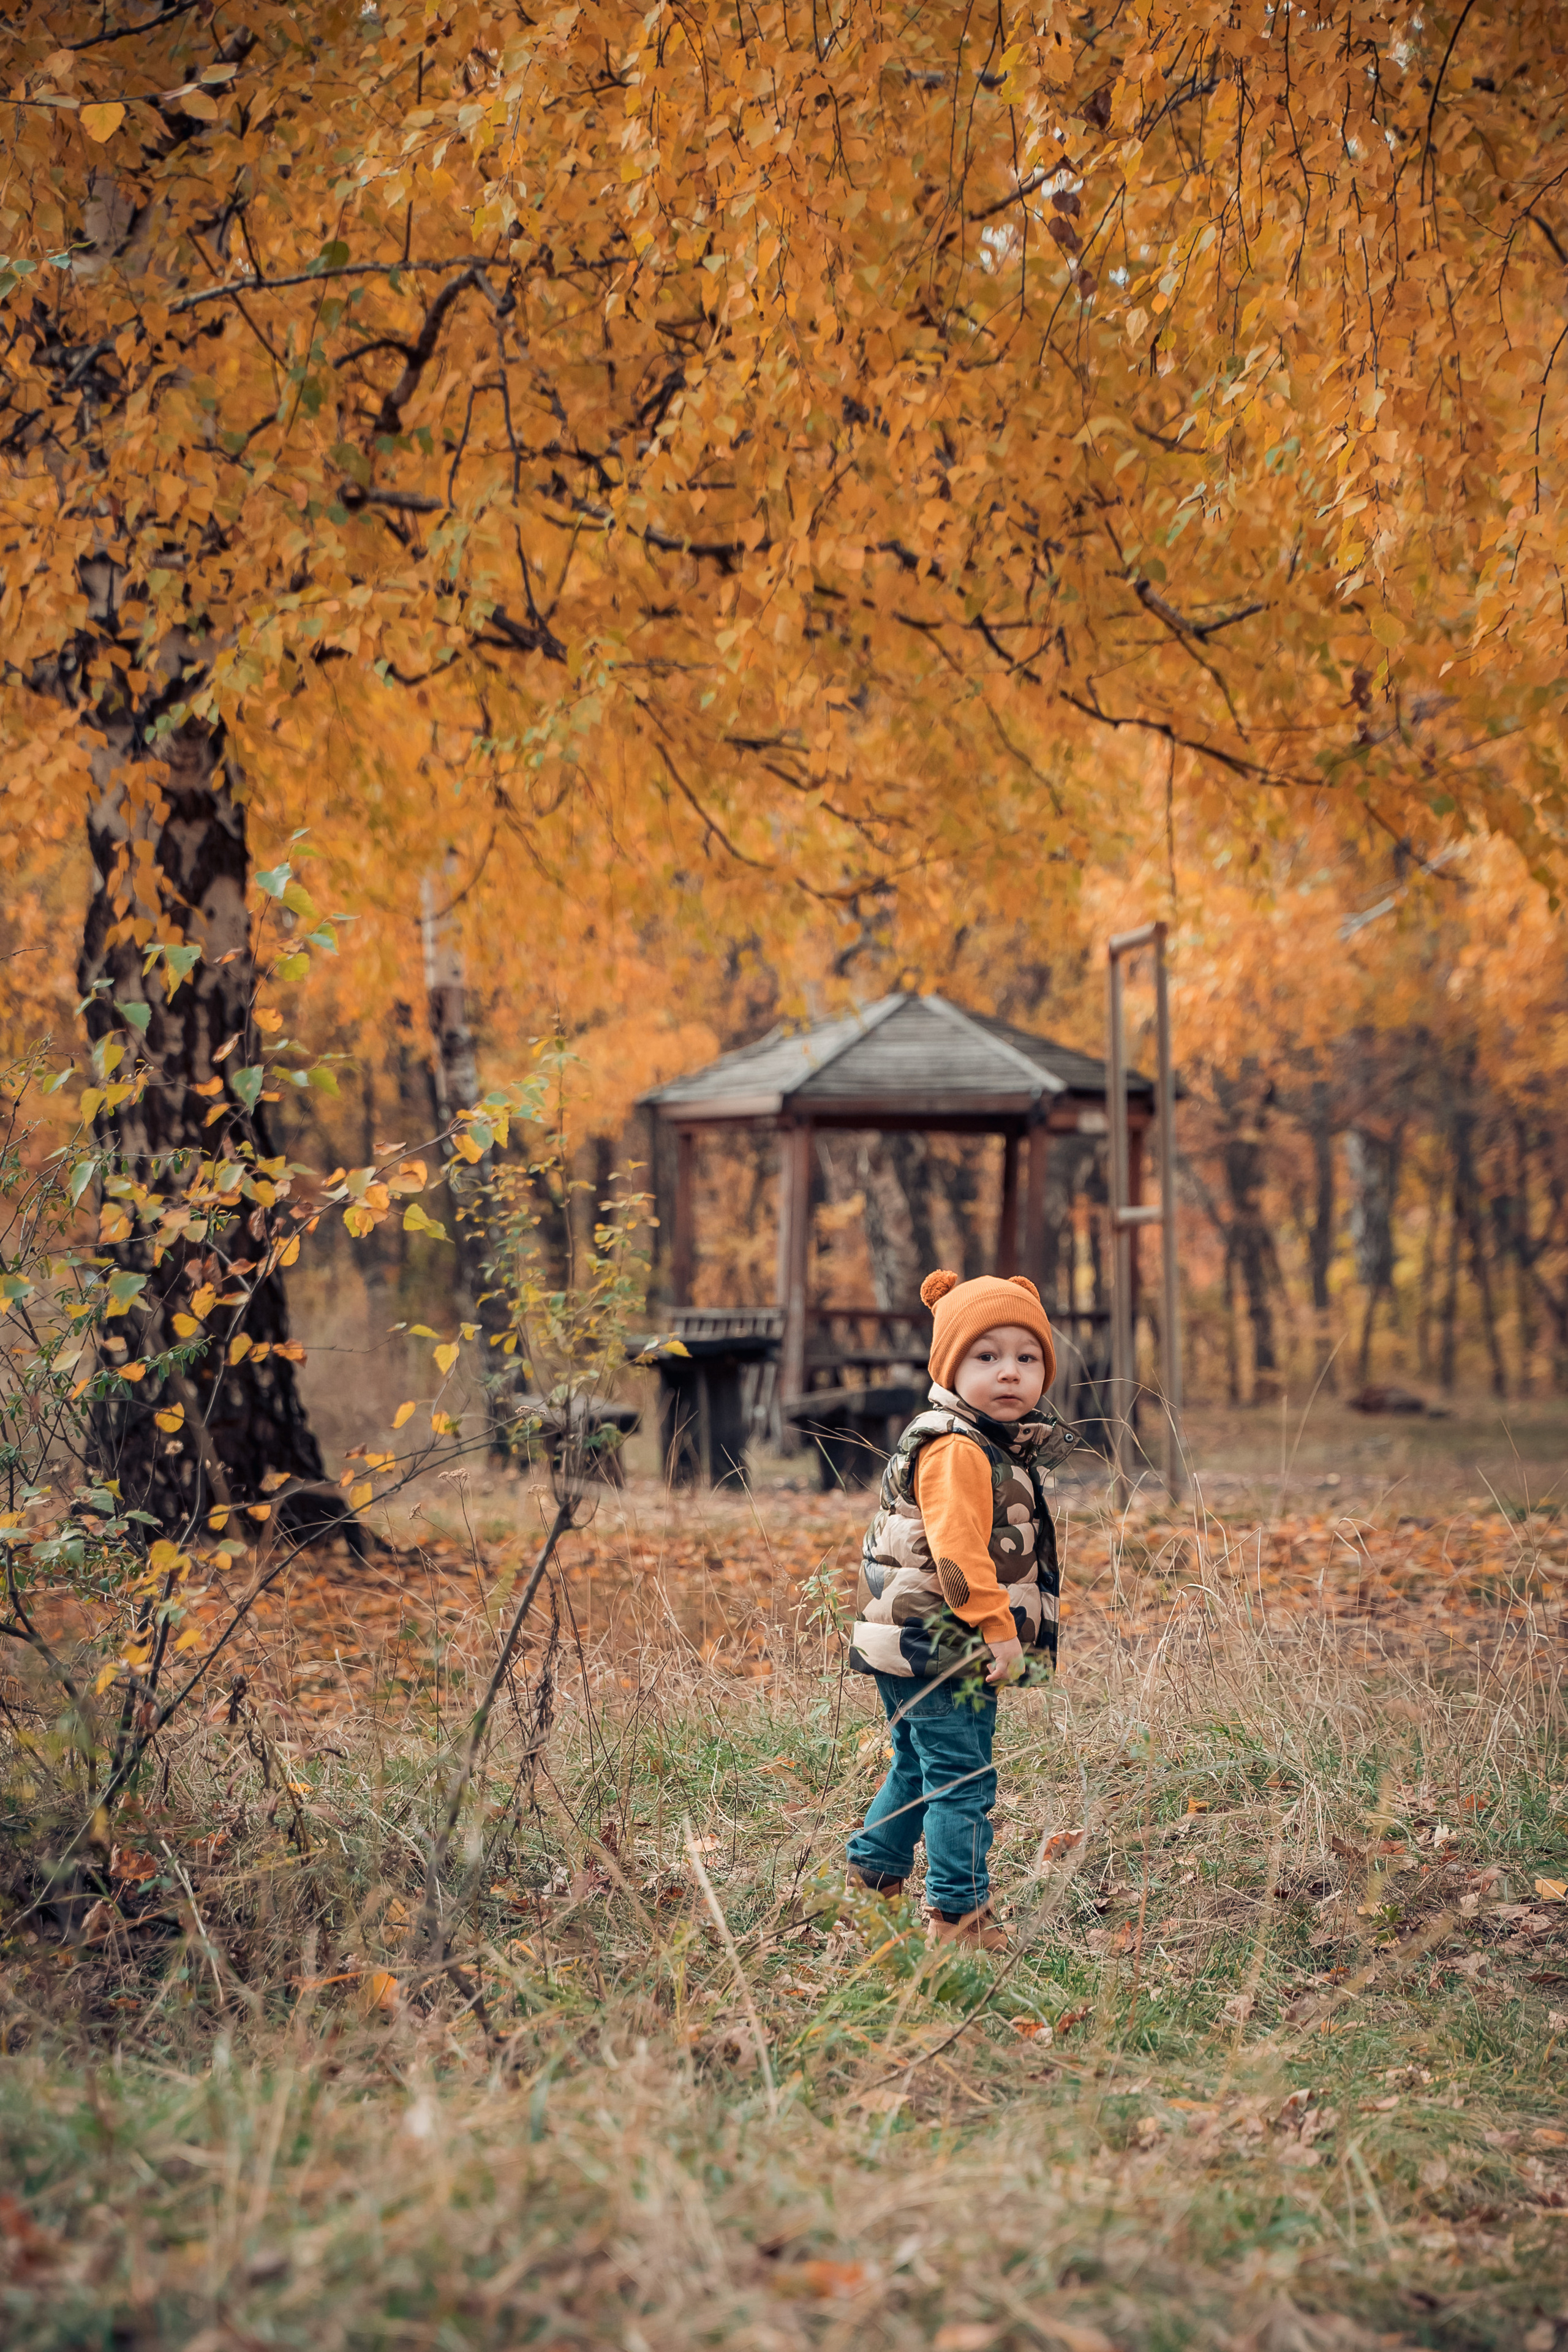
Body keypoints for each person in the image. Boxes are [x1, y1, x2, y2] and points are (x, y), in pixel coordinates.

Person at [844, 1268, 1074, 1951]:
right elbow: (957, 1555)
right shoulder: (956, 1448)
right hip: (945, 1640)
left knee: (918, 1763)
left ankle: (871, 1875)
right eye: (987, 1356)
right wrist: (997, 1630)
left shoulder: (978, 1438)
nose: (1009, 1373)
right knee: (963, 1778)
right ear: (949, 1365)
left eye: (1026, 1358)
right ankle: (959, 1918)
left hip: (919, 1639)